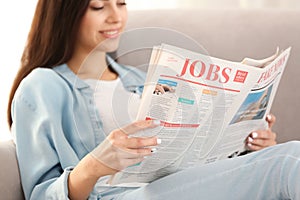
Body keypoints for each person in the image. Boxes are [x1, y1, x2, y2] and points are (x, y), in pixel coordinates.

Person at [7, 0, 299, 199]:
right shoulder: (42, 87)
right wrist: (93, 165)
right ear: (64, 13)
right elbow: (41, 194)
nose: (115, 16)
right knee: (287, 161)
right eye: (98, 6)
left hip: (174, 184)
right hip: (122, 195)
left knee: (284, 156)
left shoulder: (138, 79)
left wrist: (249, 145)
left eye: (121, 2)